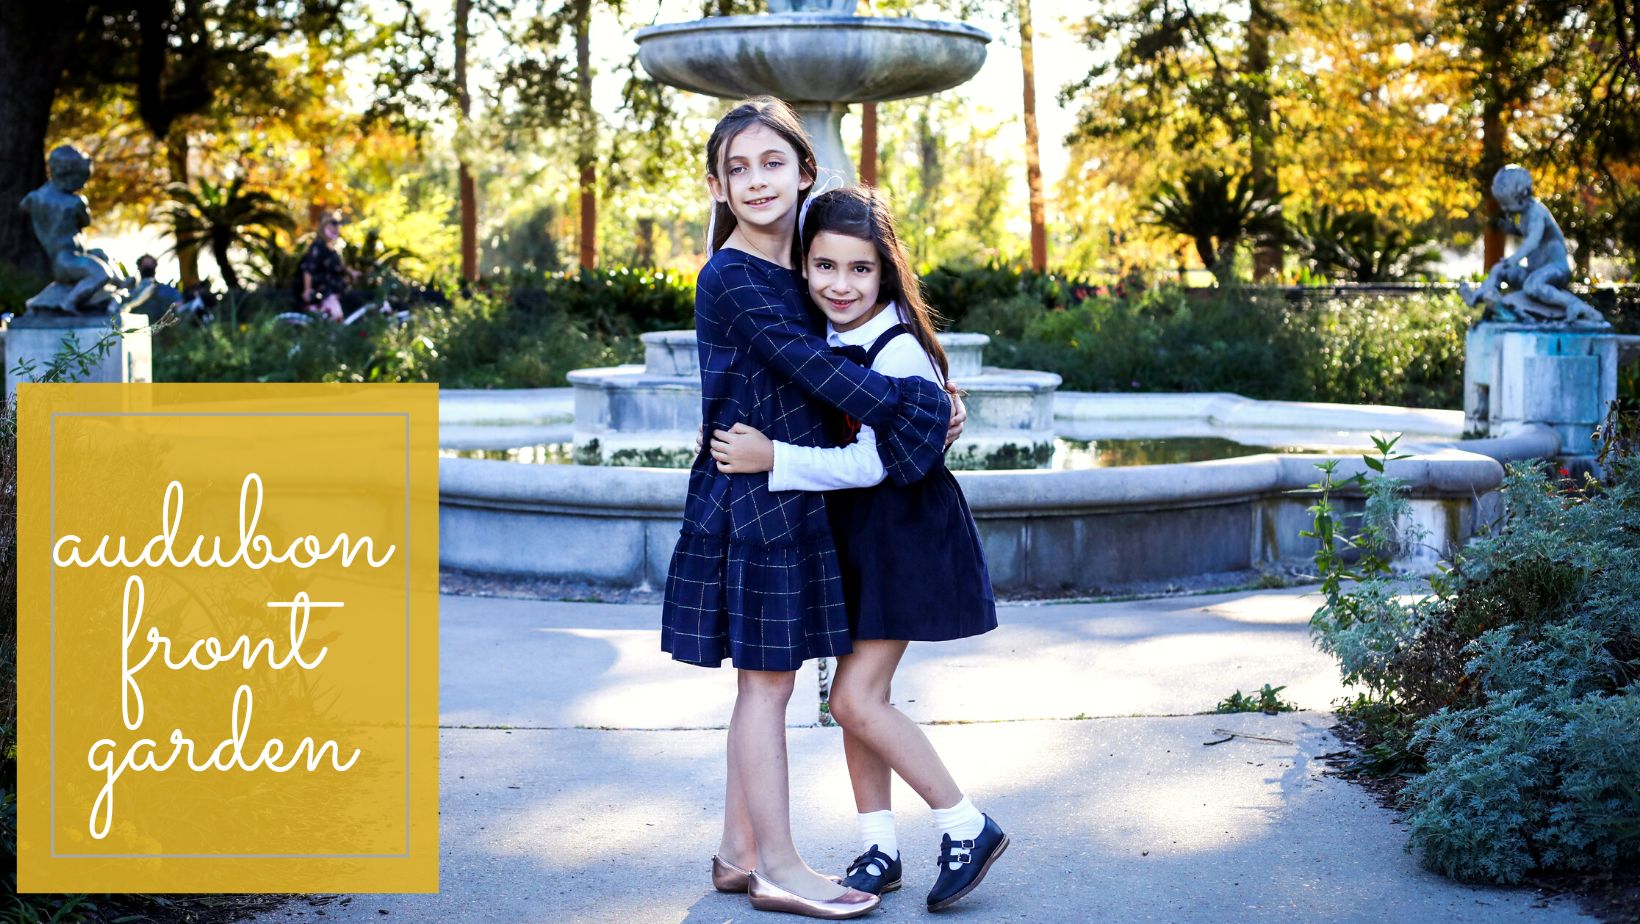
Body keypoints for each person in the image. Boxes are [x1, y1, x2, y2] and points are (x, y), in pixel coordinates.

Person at [659, 97, 962, 921]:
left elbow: (856, 335)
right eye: (738, 168)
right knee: (766, 687)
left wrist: (925, 391)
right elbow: (814, 370)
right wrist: (922, 406)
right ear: (716, 186)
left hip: (792, 492)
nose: (756, 180)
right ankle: (781, 867)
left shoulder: (801, 264)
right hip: (754, 501)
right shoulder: (732, 275)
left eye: (771, 163)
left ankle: (737, 850)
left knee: (766, 683)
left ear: (804, 171)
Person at [710, 186, 1007, 913]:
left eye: (859, 270)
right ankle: (879, 845)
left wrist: (772, 459)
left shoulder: (897, 343)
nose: (840, 285)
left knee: (853, 697)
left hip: (902, 536)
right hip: (860, 536)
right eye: (824, 267)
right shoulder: (828, 328)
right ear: (805, 268)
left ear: (886, 274)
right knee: (854, 700)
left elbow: (873, 462)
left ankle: (966, 824)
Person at [1459, 165, 1604, 324]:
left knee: (1532, 286)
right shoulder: (1524, 214)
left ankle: (1574, 305)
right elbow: (1526, 234)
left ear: (1523, 195)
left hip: (1555, 270)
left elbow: (1533, 241)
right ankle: (1482, 295)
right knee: (1499, 269)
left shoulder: (1536, 213)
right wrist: (1511, 229)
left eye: (1508, 204)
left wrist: (1515, 258)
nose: (1505, 209)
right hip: (1534, 271)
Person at [298, 211, 360, 321]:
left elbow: (339, 266)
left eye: (337, 224)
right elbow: (308, 269)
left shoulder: (332, 248)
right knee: (336, 321)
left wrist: (352, 272)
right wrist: (307, 290)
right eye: (333, 224)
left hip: (334, 291)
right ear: (324, 226)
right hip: (324, 292)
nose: (336, 227)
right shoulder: (317, 246)